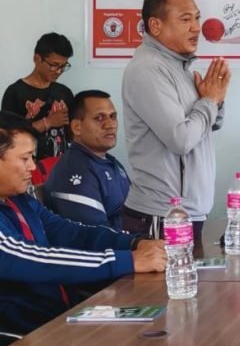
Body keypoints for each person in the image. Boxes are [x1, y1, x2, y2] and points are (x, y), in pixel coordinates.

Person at [0, 110, 166, 336]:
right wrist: (128, 261)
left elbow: (72, 233)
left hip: (57, 320)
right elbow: (36, 259)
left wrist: (134, 243)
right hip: (20, 334)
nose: (33, 167)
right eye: (24, 158)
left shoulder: (19, 200)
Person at [122, 0, 230, 241]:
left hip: (186, 213)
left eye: (197, 18)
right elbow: (181, 139)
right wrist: (209, 101)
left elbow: (207, 126)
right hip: (162, 215)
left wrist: (215, 101)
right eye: (185, 19)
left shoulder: (179, 68)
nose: (196, 28)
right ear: (155, 26)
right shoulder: (148, 69)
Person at [43, 90, 129, 231]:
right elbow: (96, 235)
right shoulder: (74, 171)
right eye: (99, 118)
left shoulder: (110, 162)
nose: (110, 125)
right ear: (76, 127)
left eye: (113, 117)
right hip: (114, 244)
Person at [2, 32, 74, 160]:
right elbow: (8, 138)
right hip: (28, 166)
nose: (59, 71)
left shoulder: (64, 92)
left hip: (60, 166)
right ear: (37, 59)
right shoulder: (15, 92)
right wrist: (48, 122)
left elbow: (72, 135)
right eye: (54, 65)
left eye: (63, 66)